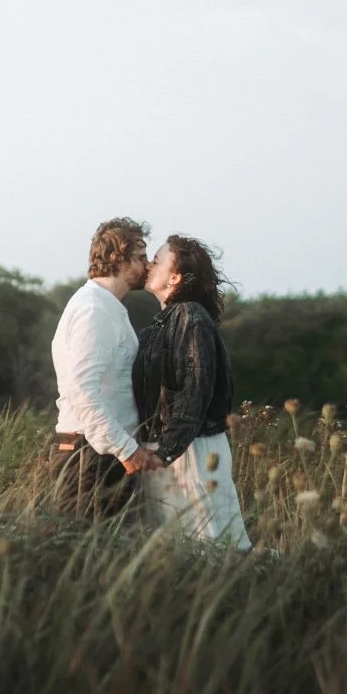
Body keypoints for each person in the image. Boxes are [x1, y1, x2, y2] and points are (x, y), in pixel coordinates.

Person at [130, 235, 251, 549]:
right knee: (180, 549)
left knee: (210, 545)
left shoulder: (189, 316)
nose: (148, 265)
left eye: (157, 260)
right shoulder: (164, 321)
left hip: (192, 450)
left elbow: (195, 388)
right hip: (171, 448)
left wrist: (166, 451)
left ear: (174, 277)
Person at [49, 217, 165, 516]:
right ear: (118, 258)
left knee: (110, 556)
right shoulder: (94, 310)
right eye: (140, 258)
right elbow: (81, 390)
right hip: (90, 455)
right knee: (86, 554)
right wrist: (126, 450)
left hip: (103, 451)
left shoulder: (108, 306)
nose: (147, 266)